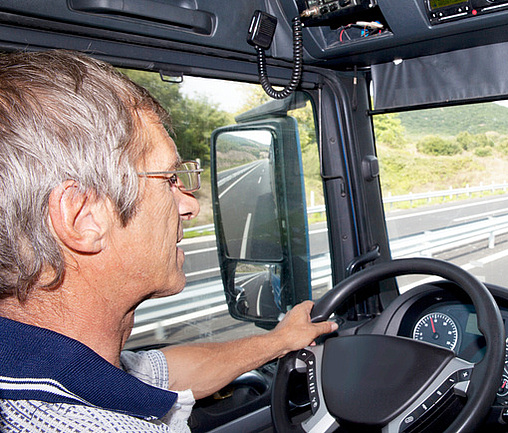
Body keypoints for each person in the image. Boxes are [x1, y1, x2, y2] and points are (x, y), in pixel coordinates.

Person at [0, 50, 337, 432]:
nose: (190, 205)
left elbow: (167, 372)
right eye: (170, 179)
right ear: (83, 217)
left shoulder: (39, 362)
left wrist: (281, 340)